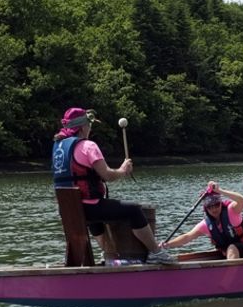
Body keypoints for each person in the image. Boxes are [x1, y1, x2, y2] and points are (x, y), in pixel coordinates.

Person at [51, 107, 177, 265]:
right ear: (83, 126)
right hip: (89, 208)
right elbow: (107, 175)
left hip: (69, 211)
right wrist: (123, 170)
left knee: (97, 217)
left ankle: (107, 254)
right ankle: (155, 252)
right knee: (134, 210)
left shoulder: (58, 148)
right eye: (89, 125)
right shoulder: (88, 146)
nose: (90, 128)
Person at [162, 182, 243, 259]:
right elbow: (187, 237)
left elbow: (242, 200)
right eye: (210, 207)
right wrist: (166, 245)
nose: (214, 209)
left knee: (232, 248)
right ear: (206, 208)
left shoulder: (231, 211)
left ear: (221, 203)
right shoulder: (205, 225)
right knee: (230, 249)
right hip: (231, 254)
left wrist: (220, 190)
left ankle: (231, 280)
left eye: (216, 205)